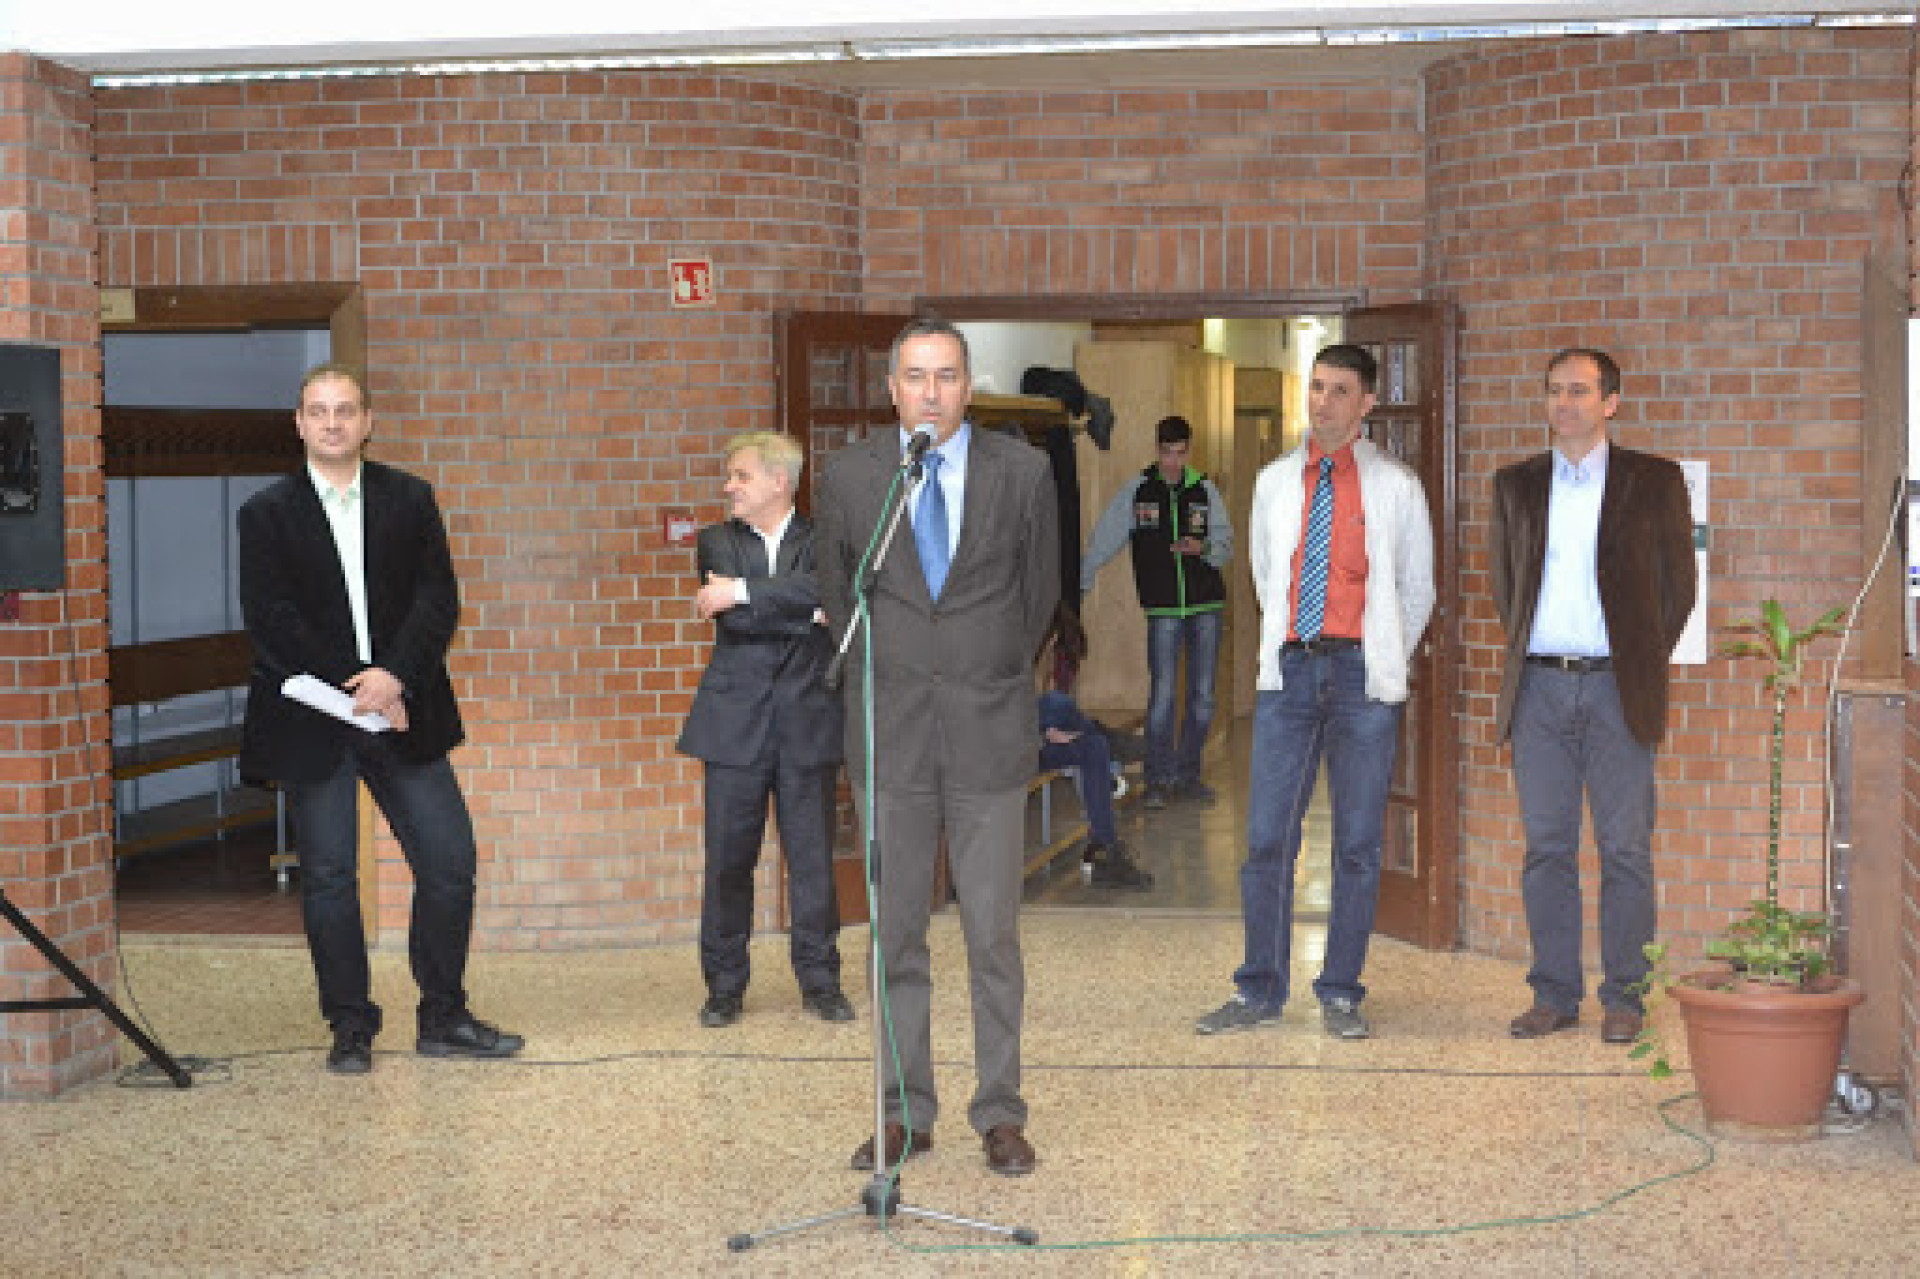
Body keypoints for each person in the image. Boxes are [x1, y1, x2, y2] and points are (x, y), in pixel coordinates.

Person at [816, 318, 1059, 1178]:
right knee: (896, 936)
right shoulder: (851, 476)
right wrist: (902, 672)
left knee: (992, 933)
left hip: (988, 729)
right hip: (891, 737)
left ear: (968, 385)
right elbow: (840, 594)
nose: (930, 392)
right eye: (915, 376)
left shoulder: (1023, 472)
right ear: (892, 389)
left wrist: (981, 666)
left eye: (946, 375)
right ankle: (902, 1112)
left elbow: (1040, 596)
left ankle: (1000, 1111)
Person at [238, 362, 523, 1075]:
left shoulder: (410, 498)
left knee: (450, 862)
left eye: (346, 410)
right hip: (315, 718)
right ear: (299, 423)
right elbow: (273, 619)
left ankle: (444, 1016)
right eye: (318, 410)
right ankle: (350, 1024)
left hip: (404, 710)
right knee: (330, 877)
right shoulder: (265, 513)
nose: (332, 422)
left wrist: (395, 677)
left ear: (367, 422)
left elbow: (438, 599)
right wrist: (360, 686)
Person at [1194, 343, 1434, 1042]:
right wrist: (1294, 644)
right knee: (1267, 837)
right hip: (1291, 674)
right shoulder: (1274, 482)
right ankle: (1259, 988)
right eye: (1317, 387)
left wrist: (1381, 658)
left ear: (1367, 403)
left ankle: (1341, 991)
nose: (1323, 402)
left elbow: (1416, 590)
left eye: (1339, 391)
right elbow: (1267, 574)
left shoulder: (1397, 487)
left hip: (1363, 679)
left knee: (1357, 844)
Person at [1491, 347, 1696, 1047]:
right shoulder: (1515, 485)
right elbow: (1506, 587)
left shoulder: (1654, 480)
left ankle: (1625, 997)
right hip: (1539, 689)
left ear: (1611, 401)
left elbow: (1678, 589)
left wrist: (1637, 658)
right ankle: (1553, 994)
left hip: (1618, 688)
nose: (1564, 403)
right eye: (1554, 390)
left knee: (1625, 848)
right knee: (1546, 848)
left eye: (1579, 391)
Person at [677, 432, 851, 1028]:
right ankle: (724, 987)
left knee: (812, 862)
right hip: (734, 727)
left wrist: (743, 593)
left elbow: (829, 594)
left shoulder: (824, 541)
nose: (729, 486)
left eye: (740, 476)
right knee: (728, 862)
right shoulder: (715, 541)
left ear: (780, 481)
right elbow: (743, 624)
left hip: (808, 723)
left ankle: (821, 983)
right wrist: (807, 615)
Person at [1080, 414, 1233, 809]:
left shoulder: (1205, 491)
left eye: (1180, 454)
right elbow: (1106, 536)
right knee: (1162, 696)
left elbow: (1225, 547)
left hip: (1206, 606)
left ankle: (1188, 775)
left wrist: (1203, 549)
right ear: (1157, 449)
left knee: (1203, 698)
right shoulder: (1139, 491)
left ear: (1189, 451)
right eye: (1167, 453)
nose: (1173, 462)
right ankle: (1158, 780)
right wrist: (1083, 576)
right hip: (1162, 607)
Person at [1035, 606, 1151, 890]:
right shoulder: (1000, 642)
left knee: (1093, 747)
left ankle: (1105, 851)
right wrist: (1044, 730)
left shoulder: (1045, 652)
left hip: (1036, 743)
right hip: (1008, 749)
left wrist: (1049, 731)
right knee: (1055, 704)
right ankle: (1108, 742)